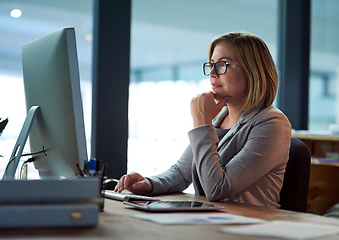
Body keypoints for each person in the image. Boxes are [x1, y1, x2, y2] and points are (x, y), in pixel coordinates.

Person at [114, 32, 292, 208]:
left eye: (223, 64)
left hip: (250, 228)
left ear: (252, 70)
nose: (212, 73)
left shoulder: (273, 124)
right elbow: (182, 173)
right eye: (212, 65)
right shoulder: (219, 118)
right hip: (210, 221)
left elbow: (217, 188)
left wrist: (201, 123)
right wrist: (149, 184)